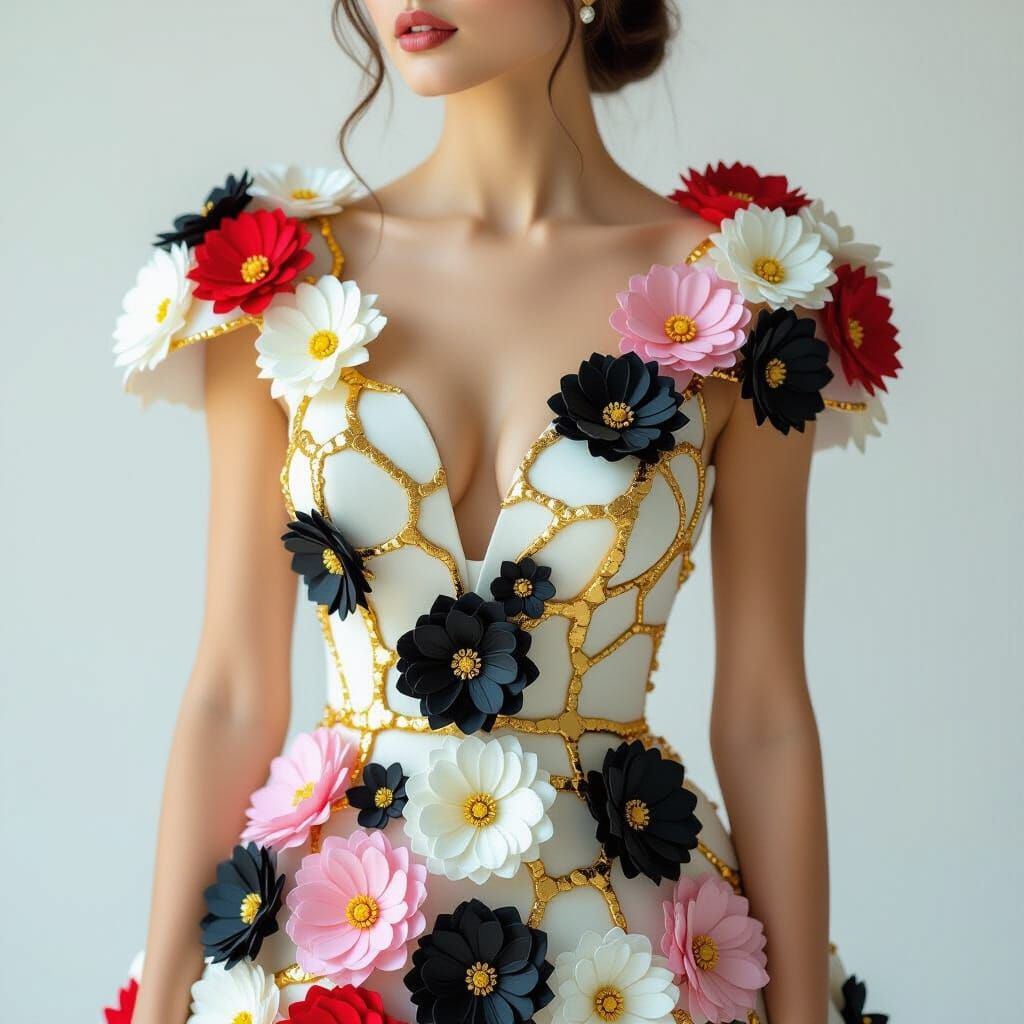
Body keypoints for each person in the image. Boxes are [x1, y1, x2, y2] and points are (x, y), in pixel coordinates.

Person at [106, 2, 900, 1023]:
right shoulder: (272, 281)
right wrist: (166, 1001)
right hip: (321, 962)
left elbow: (763, 710)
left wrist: (797, 1012)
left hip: (629, 966)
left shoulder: (743, 297)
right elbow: (230, 690)